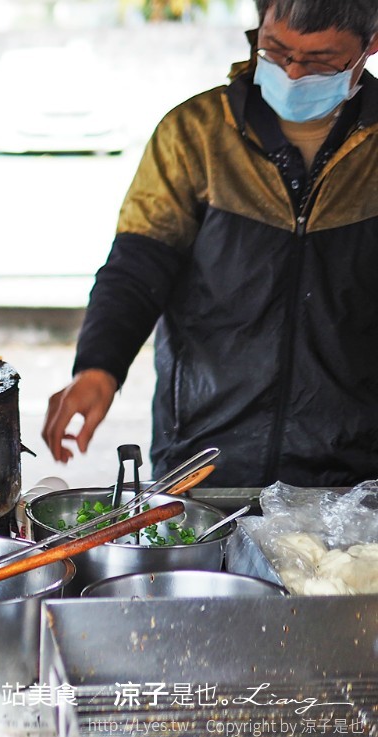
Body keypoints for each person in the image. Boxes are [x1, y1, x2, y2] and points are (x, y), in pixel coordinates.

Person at [43, 0, 378, 488]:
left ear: (370, 46)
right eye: (276, 49)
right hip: (205, 462)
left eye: (320, 60)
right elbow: (139, 264)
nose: (292, 71)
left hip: (353, 476)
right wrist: (100, 366)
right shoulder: (195, 135)